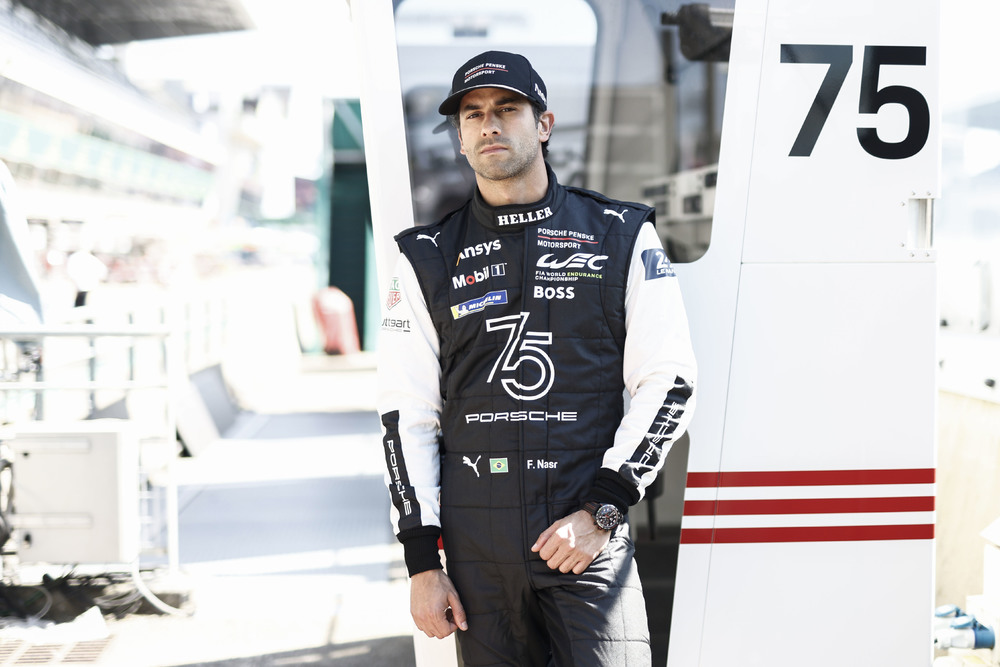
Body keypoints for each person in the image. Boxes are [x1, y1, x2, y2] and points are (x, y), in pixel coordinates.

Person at [377, 50, 697, 667]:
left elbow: (671, 381)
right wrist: (421, 562)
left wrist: (604, 510)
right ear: (460, 138)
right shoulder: (425, 257)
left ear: (544, 124)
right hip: (477, 556)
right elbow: (405, 414)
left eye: (507, 108)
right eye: (472, 115)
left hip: (586, 536)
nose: (489, 125)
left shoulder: (620, 233)